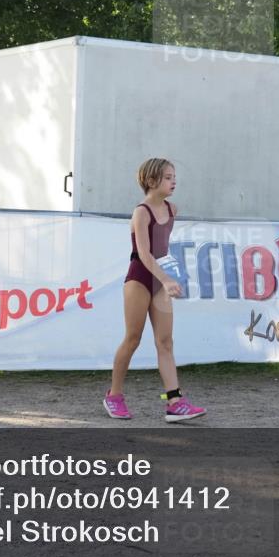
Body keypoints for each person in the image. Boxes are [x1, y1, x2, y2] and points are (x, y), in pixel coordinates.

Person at [104, 158, 206, 423]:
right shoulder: (141, 212)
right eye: (168, 177)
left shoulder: (172, 209)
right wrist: (168, 279)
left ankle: (174, 402)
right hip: (139, 278)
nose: (174, 181)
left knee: (165, 341)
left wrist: (169, 277)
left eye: (174, 177)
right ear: (151, 181)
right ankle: (114, 396)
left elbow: (163, 251)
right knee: (133, 338)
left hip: (160, 281)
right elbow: (144, 253)